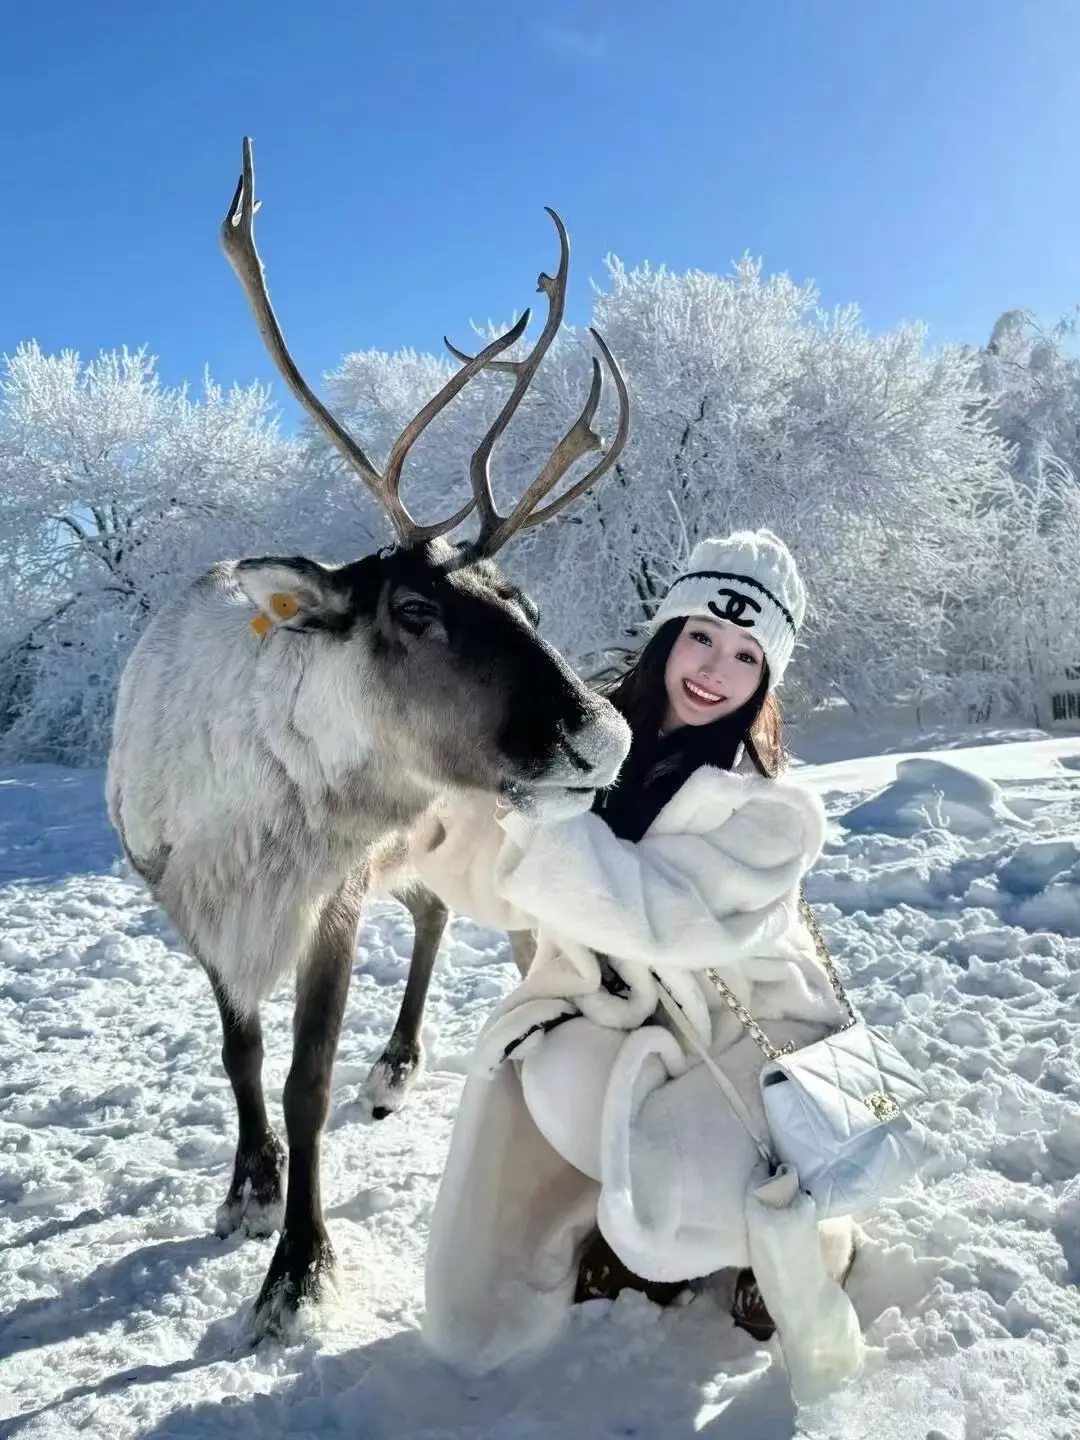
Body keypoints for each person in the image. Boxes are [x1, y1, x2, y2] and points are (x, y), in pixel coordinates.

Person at [409, 529, 864, 1401]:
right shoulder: (588, 750)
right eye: (702, 636)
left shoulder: (772, 816)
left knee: (720, 1173)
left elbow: (657, 916)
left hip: (752, 1035)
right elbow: (508, 891)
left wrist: (537, 816)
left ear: (765, 680)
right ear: (667, 635)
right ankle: (613, 1228)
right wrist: (465, 791)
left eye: (746, 656)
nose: (716, 670)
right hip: (622, 1016)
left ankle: (790, 1245)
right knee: (559, 1079)